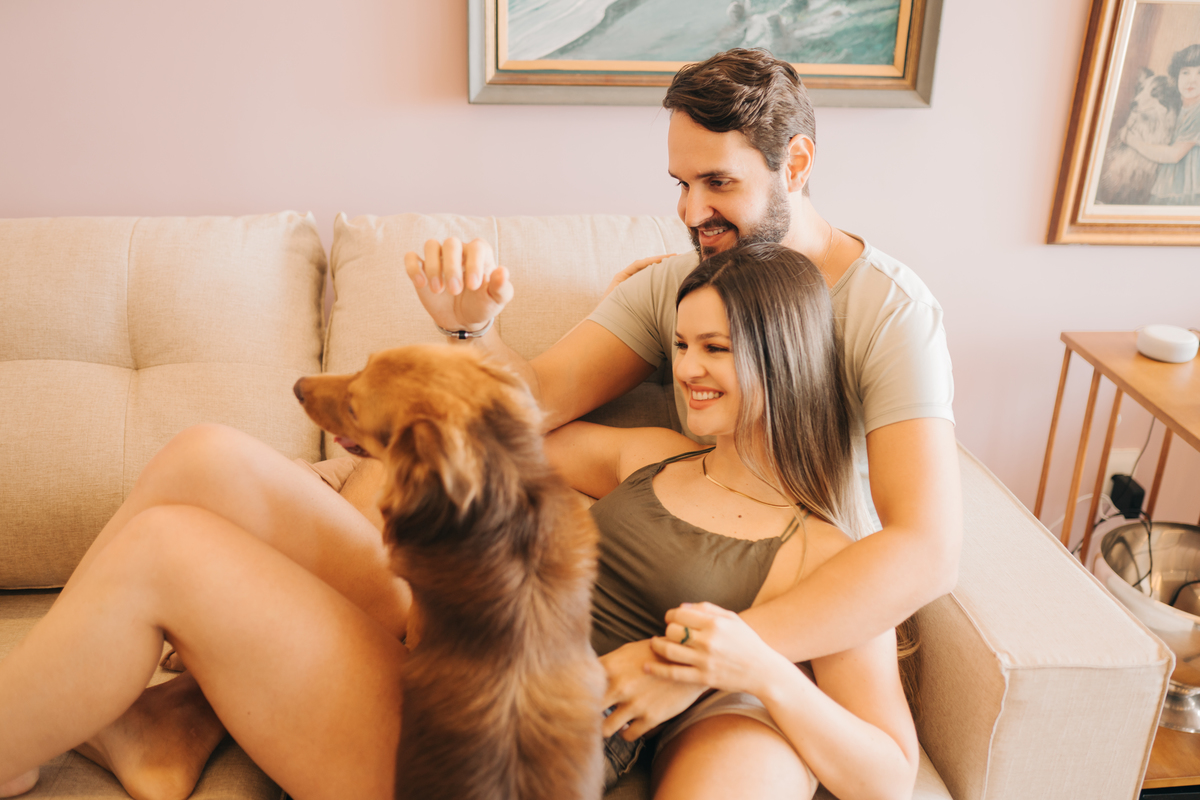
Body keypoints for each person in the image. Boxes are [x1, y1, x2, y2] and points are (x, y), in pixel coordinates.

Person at [404, 47, 960, 745]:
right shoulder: (681, 283)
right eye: (681, 183)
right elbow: (533, 402)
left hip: (794, 625)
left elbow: (929, 548)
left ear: (795, 165)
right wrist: (471, 328)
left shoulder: (889, 311)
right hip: (664, 590)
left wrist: (700, 658)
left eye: (717, 183)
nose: (692, 212)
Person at [545, 242, 919, 798]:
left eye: (714, 347)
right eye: (680, 345)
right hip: (500, 657)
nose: (687, 367)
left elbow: (889, 776)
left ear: (784, 356)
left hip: (564, 731)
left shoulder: (824, 555)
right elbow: (513, 443)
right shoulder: (654, 455)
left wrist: (762, 670)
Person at [1128, 44, 1200, 205]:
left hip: (1189, 191)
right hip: (1166, 186)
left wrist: (1132, 141)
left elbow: (1173, 155)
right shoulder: (1174, 108)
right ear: (1176, 76)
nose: (1192, 80)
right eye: (1186, 72)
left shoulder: (1198, 114)